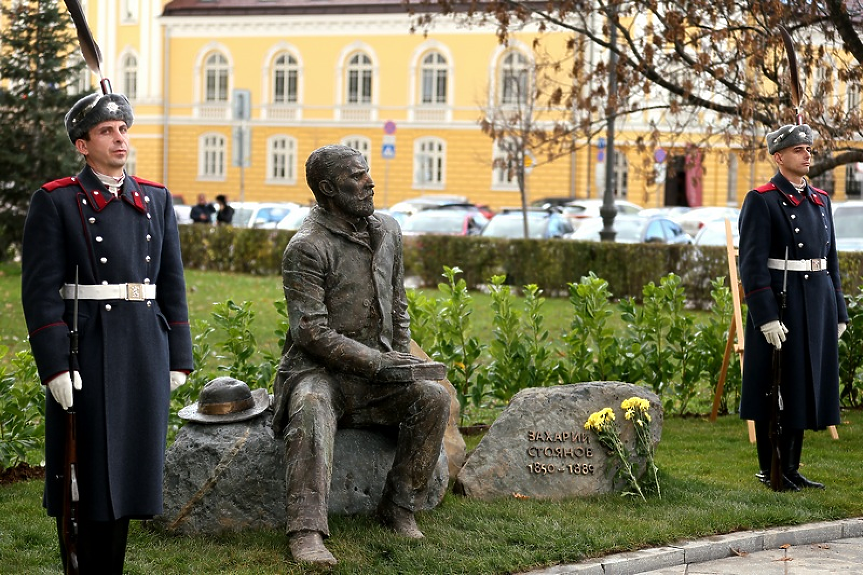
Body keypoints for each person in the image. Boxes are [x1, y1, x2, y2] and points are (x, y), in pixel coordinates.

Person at [20, 91, 194, 573]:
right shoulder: (56, 201)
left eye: (123, 129)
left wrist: (178, 354)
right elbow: (39, 292)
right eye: (106, 131)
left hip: (143, 345)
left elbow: (171, 281)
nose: (119, 138)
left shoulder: (154, 198)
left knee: (130, 469)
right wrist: (54, 364)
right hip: (88, 345)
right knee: (88, 472)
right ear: (82, 145)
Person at [271, 145, 450, 566]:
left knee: (434, 397)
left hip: (379, 371)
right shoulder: (306, 247)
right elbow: (309, 331)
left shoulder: (387, 229)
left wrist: (401, 360)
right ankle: (307, 532)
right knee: (312, 406)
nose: (369, 183)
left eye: (367, 174)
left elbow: (398, 303)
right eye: (357, 177)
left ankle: (399, 506)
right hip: (319, 372)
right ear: (329, 188)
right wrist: (375, 362)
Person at [738, 123, 849, 491]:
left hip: (816, 302)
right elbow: (752, 264)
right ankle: (773, 468)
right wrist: (765, 316)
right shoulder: (762, 199)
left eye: (808, 148)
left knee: (804, 383)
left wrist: (839, 309)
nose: (807, 154)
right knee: (776, 385)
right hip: (782, 304)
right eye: (798, 149)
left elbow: (830, 259)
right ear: (778, 156)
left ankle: (793, 466)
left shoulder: (821, 200)